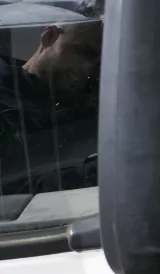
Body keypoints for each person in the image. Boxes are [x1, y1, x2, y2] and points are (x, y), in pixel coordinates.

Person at [0, 21, 103, 196]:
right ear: (49, 37)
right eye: (82, 52)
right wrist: (89, 173)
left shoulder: (91, 104)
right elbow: (11, 185)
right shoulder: (5, 98)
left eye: (99, 64)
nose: (88, 69)